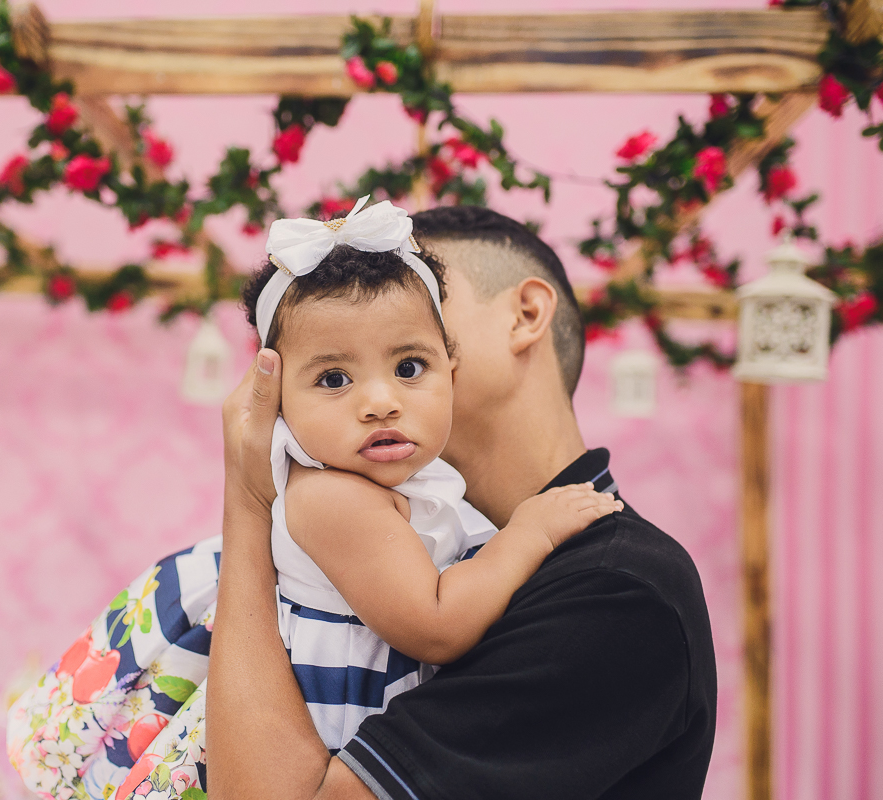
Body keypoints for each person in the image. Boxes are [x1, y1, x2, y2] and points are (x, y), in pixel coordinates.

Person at [209, 205, 718, 799]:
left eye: (409, 348)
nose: (377, 392)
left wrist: (248, 502)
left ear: (525, 315)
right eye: (333, 372)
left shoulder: (619, 591)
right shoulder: (435, 536)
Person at [241, 197, 621, 750]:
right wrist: (529, 533)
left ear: (450, 365)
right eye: (332, 379)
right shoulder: (330, 497)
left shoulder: (417, 485)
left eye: (409, 367)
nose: (379, 402)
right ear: (275, 397)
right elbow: (437, 624)